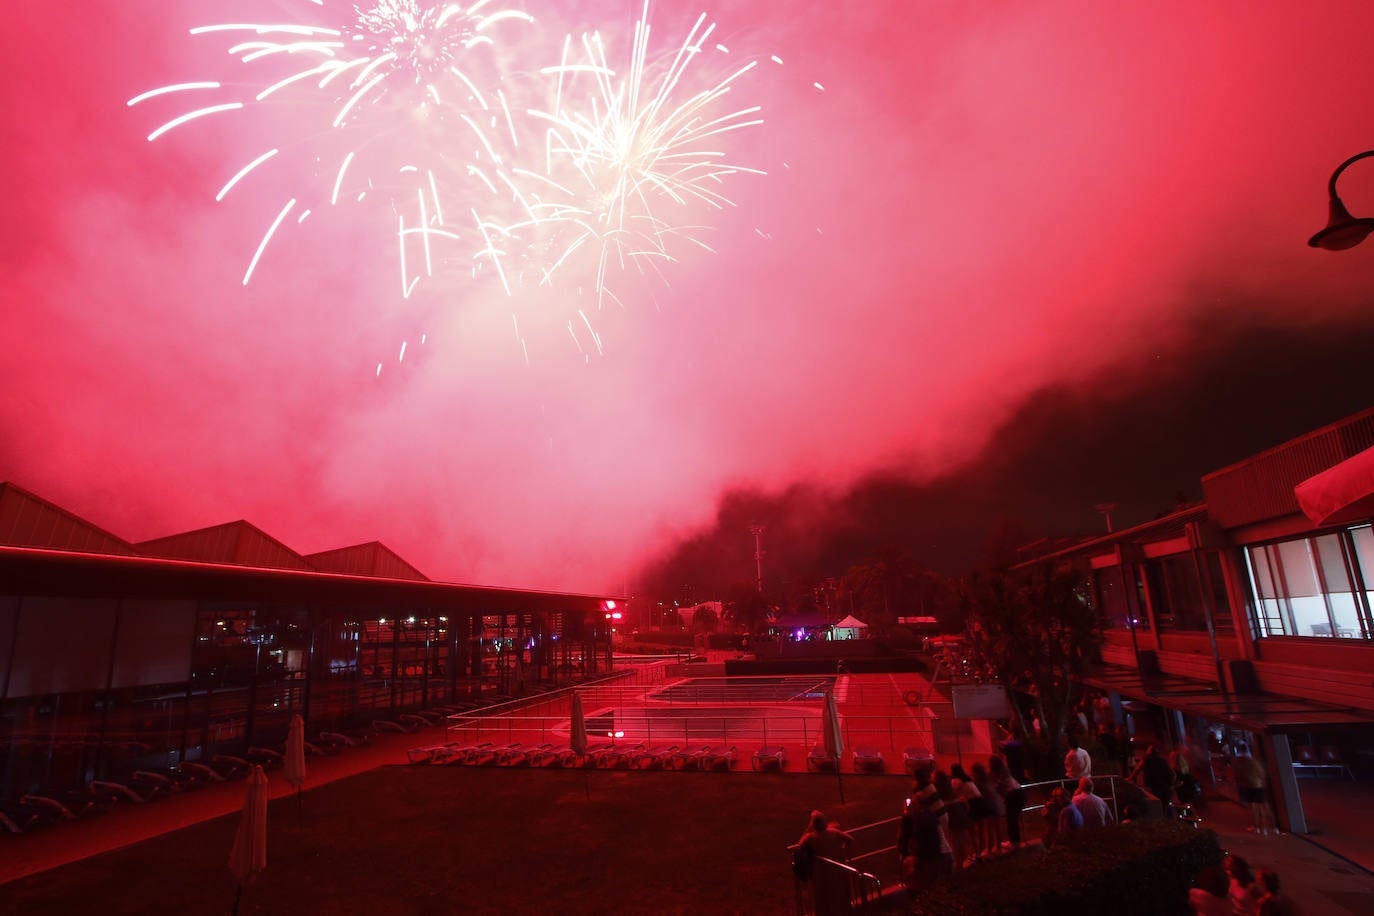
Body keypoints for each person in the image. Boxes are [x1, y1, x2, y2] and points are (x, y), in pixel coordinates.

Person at [798, 810, 854, 916]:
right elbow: (850, 839)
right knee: (840, 898)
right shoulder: (834, 833)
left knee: (823, 900)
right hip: (838, 871)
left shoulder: (811, 838)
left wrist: (808, 829)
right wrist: (842, 851)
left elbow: (800, 845)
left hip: (821, 874)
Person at [1231, 743, 1277, 835]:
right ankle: (1268, 828)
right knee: (1263, 807)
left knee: (1256, 807)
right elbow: (1262, 774)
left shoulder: (1246, 762)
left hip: (1252, 785)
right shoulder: (1258, 763)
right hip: (1259, 785)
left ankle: (1258, 827)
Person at [1129, 745, 1176, 817]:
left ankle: (1159, 823)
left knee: (1155, 808)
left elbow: (1136, 771)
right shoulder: (1163, 761)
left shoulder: (1145, 760)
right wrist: (1171, 785)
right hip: (1165, 788)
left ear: (1149, 752)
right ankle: (1170, 823)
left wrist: (1129, 779)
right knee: (1167, 808)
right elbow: (1172, 774)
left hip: (1153, 788)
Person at [989, 754, 1025, 846]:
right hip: (1020, 792)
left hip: (1013, 795)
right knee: (1013, 819)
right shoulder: (1005, 771)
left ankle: (1014, 842)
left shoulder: (998, 774)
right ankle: (1015, 841)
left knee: (1011, 820)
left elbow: (998, 787)